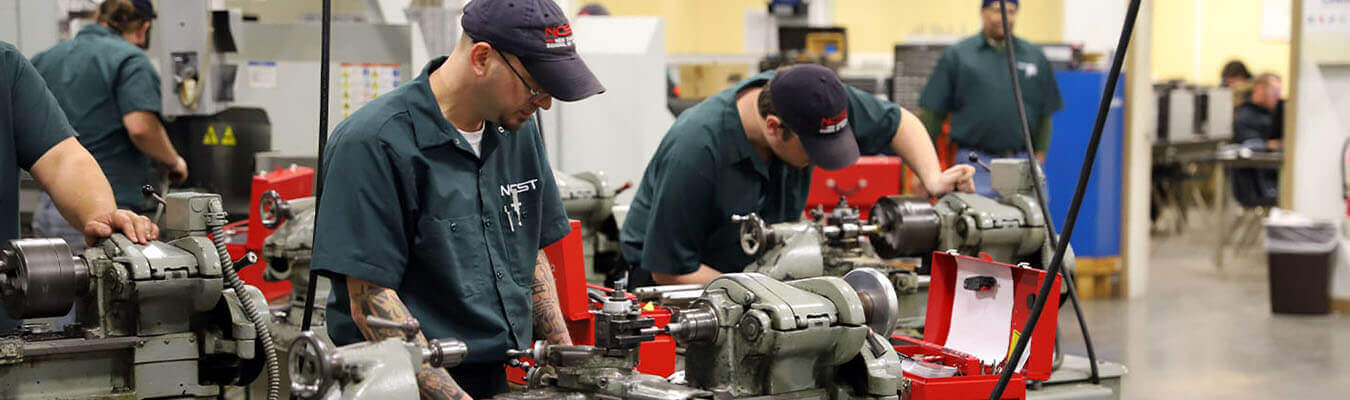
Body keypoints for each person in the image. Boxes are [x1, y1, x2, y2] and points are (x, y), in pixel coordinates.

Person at [310, 0, 604, 398]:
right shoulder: (374, 143)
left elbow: (526, 251)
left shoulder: (518, 131)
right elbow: (372, 304)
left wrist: (569, 371)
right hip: (397, 385)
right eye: (536, 86)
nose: (545, 103)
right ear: (482, 58)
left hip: (499, 378)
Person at [620, 63, 975, 287]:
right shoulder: (696, 150)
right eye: (813, 151)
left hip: (759, 277)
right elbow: (668, 270)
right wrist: (769, 293)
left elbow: (899, 122)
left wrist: (933, 178)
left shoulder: (816, 99)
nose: (820, 160)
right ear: (774, 128)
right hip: (676, 287)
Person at [1, 41, 160, 331]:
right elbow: (141, 125)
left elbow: (61, 158)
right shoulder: (129, 61)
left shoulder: (6, 65)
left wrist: (100, 214)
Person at [29, 0, 186, 252]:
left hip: (49, 207)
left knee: (50, 286)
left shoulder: (45, 59)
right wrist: (174, 161)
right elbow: (141, 127)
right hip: (105, 212)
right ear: (144, 28)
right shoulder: (130, 59)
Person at [918, 0, 1063, 198]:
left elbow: (1045, 112)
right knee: (974, 224)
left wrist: (1039, 154)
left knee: (1033, 224)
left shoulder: (1034, 56)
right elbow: (933, 114)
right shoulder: (958, 55)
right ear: (983, 12)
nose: (1005, 17)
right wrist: (925, 168)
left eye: (1011, 12)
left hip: (1022, 163)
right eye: (997, 10)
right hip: (973, 163)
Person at [1231, 73, 1283, 204]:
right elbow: (1249, 146)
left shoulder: (1274, 116)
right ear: (1260, 90)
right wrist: (1268, 145)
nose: (1277, 98)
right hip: (1256, 184)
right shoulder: (1245, 117)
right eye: (1274, 93)